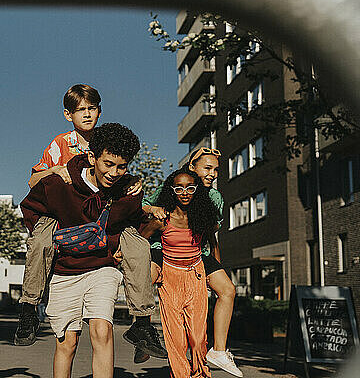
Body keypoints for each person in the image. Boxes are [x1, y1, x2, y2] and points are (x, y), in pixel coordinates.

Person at [15, 84, 166, 360]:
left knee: (138, 246)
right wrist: (55, 171)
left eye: (92, 108)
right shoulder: (61, 143)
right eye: (80, 110)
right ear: (67, 114)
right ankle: (28, 309)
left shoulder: (108, 140)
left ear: (100, 111)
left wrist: (135, 181)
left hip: (101, 213)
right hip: (63, 208)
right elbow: (33, 181)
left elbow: (116, 175)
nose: (87, 114)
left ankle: (142, 324)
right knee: (40, 238)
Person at [141, 147, 242, 377]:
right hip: (163, 249)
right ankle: (143, 332)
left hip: (197, 256)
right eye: (207, 168)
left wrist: (217, 265)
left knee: (227, 290)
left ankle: (218, 351)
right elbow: (143, 207)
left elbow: (211, 235)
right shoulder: (172, 188)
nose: (213, 173)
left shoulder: (214, 197)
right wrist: (153, 209)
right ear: (192, 168)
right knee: (148, 277)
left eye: (216, 169)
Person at [141, 169, 217, 378]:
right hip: (170, 277)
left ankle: (201, 374)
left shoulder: (203, 217)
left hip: (196, 275)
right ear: (172, 191)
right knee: (175, 337)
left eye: (190, 188)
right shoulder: (162, 219)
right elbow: (140, 239)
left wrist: (214, 271)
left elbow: (213, 243)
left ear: (196, 191)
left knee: (198, 335)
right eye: (179, 188)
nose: (184, 192)